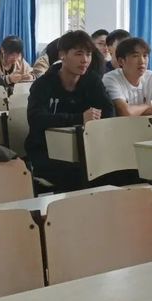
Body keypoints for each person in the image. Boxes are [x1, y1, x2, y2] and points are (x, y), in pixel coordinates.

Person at [26, 30, 115, 191]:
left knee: (119, 169)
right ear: (62, 55)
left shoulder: (92, 81)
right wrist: (80, 118)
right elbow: (36, 119)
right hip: (47, 150)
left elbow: (108, 111)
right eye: (79, 54)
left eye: (88, 54)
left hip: (85, 148)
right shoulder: (43, 84)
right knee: (80, 174)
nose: (85, 60)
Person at [102, 37, 152, 117]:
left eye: (145, 56)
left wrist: (138, 112)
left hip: (145, 124)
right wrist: (146, 106)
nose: (142, 61)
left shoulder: (150, 76)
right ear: (121, 61)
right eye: (135, 56)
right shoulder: (110, 79)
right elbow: (125, 112)